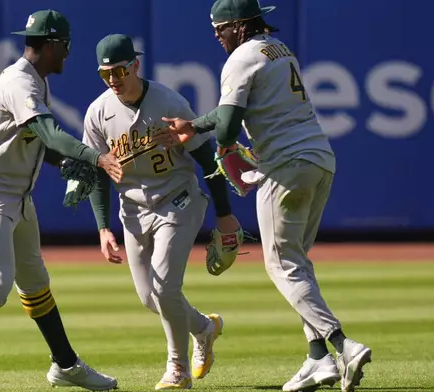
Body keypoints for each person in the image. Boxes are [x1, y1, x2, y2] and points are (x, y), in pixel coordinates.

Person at [153, 1, 372, 391]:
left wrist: (213, 141)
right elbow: (224, 119)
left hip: (284, 165)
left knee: (280, 264)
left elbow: (226, 129)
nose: (216, 36)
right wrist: (196, 124)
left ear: (238, 26)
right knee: (297, 263)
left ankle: (343, 345)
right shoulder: (280, 50)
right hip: (320, 159)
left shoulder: (240, 58)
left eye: (220, 28)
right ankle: (318, 358)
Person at [0, 9, 121, 392]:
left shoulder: (36, 81)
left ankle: (65, 366)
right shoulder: (19, 82)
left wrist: (67, 165)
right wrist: (94, 158)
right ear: (51, 45)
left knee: (35, 284)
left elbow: (35, 142)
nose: (67, 53)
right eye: (64, 46)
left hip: (16, 196)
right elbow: (47, 132)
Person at [74, 33, 245, 390]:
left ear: (135, 65)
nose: (113, 80)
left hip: (178, 200)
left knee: (166, 288)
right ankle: (204, 328)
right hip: (133, 211)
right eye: (105, 74)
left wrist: (225, 214)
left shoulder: (169, 101)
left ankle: (177, 368)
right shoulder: (98, 113)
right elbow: (96, 173)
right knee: (151, 298)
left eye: (119, 71)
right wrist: (103, 228)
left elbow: (205, 156)